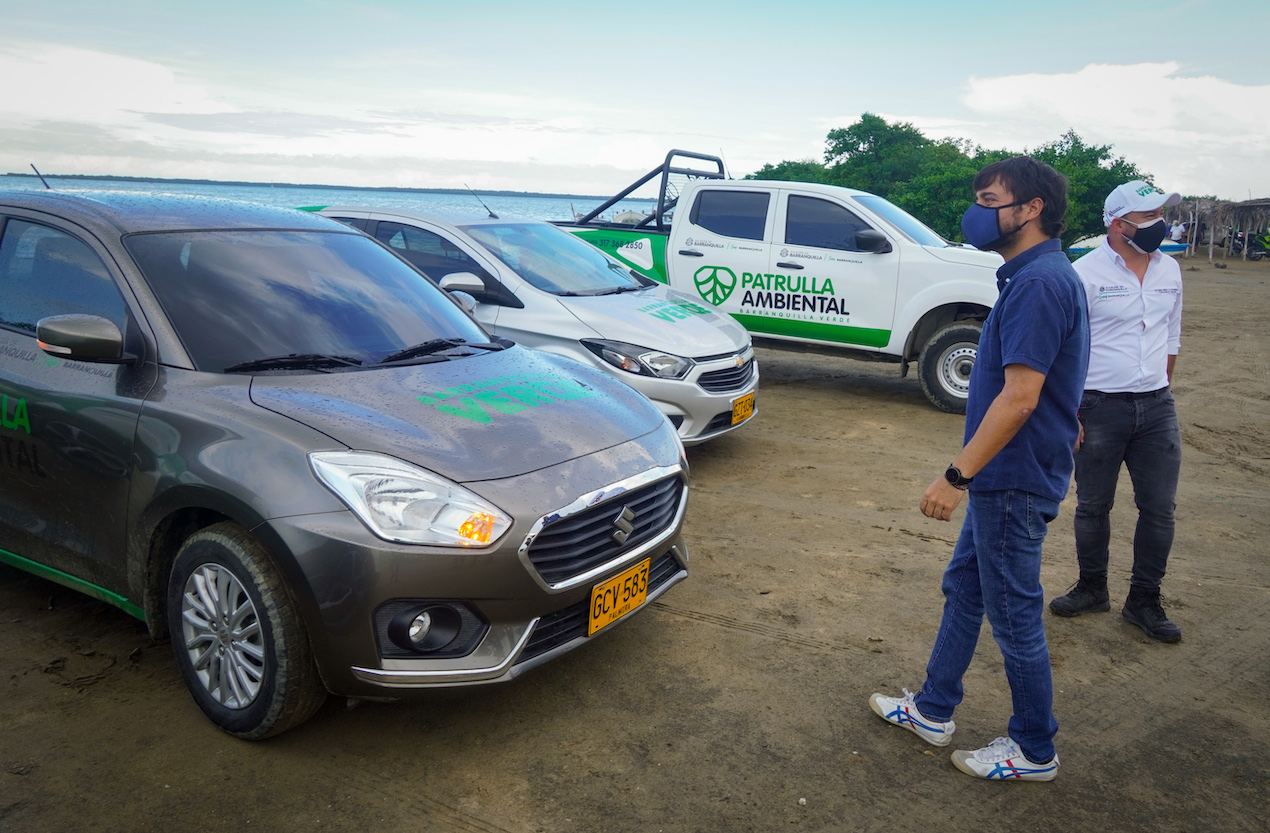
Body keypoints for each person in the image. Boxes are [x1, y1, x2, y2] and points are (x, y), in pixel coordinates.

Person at [868, 157, 1089, 782]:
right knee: (964, 587)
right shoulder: (1033, 276)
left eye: (990, 198)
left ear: (1031, 208)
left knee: (1014, 611)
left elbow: (1019, 396)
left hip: (1008, 479)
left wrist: (955, 476)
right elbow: (1050, 379)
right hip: (1009, 474)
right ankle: (934, 709)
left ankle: (1033, 749)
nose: (978, 210)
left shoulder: (1042, 282)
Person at [1048, 180, 1184, 643]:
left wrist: (1160, 387)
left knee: (1160, 510)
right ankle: (1092, 588)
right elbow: (1065, 350)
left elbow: (1171, 337)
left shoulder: (1170, 271)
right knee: (1092, 506)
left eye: (1159, 215)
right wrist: (1072, 414)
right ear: (1117, 223)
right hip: (1098, 405)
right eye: (1147, 217)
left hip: (1157, 407)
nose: (1157, 225)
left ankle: (1144, 600)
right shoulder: (1083, 274)